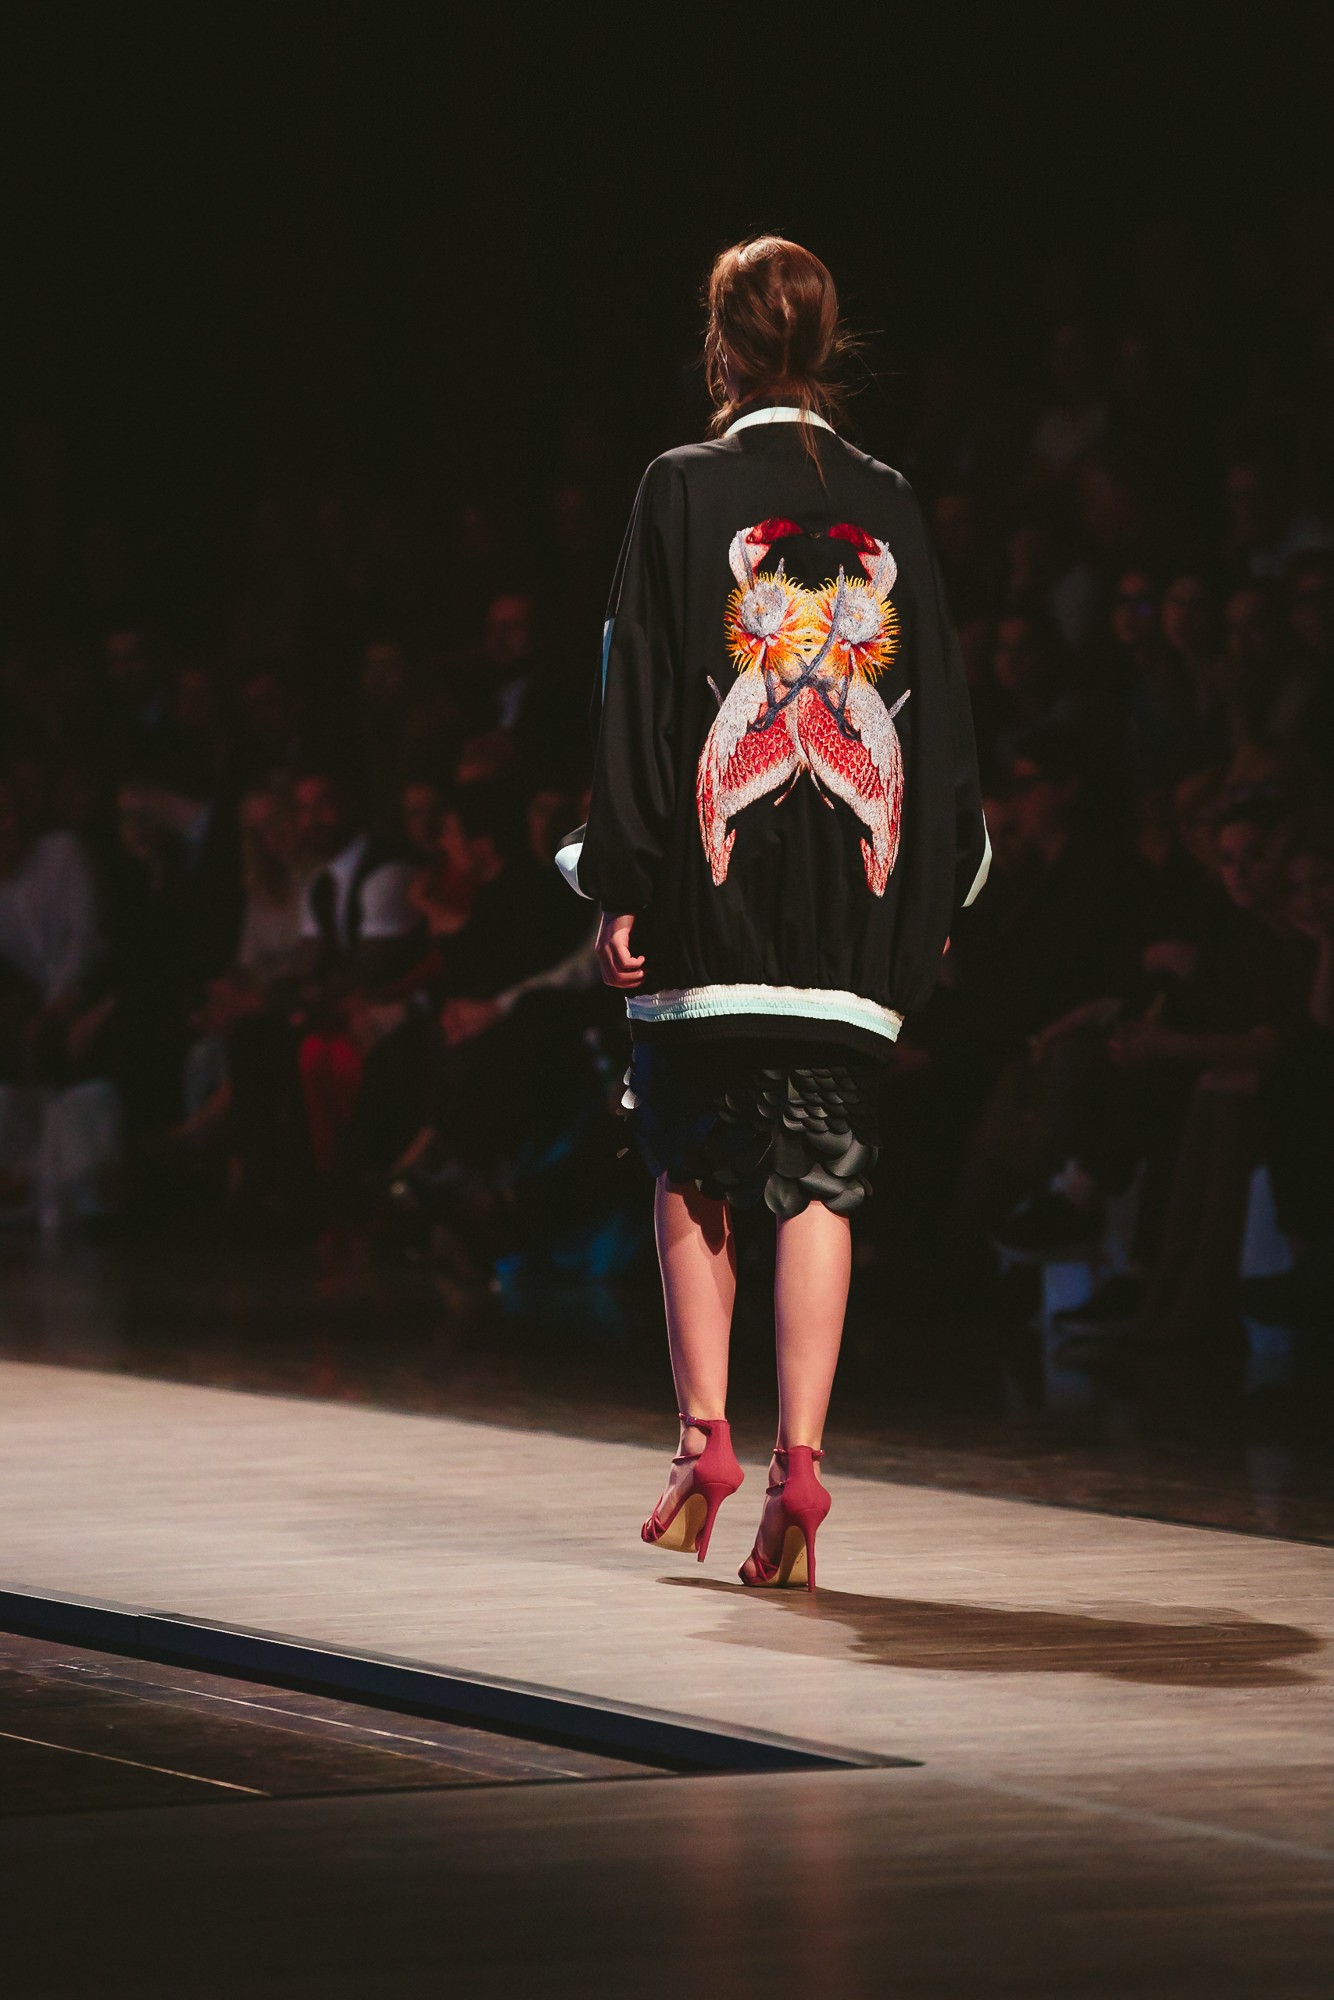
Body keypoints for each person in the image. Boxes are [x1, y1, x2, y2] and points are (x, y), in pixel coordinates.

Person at [559, 236, 990, 1590]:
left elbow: (638, 690)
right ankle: (802, 1466)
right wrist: (937, 884)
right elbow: (942, 708)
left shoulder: (679, 487)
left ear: (721, 348)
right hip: (849, 918)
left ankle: (705, 1443)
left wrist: (620, 878)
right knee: (819, 1178)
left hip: (712, 898)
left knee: (691, 1163)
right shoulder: (892, 499)